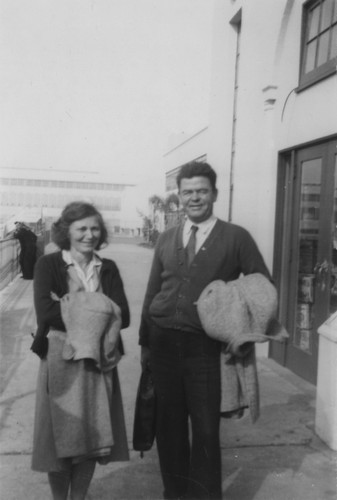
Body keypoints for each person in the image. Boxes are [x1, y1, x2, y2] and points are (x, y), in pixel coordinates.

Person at [139, 161, 271, 500]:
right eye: (187, 192)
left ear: (213, 193)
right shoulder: (167, 238)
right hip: (164, 343)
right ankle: (175, 494)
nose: (194, 198)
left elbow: (262, 286)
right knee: (169, 430)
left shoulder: (236, 236)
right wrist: (145, 343)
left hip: (207, 349)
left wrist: (240, 328)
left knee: (206, 431)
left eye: (201, 191)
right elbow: (153, 291)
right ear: (179, 197)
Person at [31, 201, 130, 500]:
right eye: (82, 228)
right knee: (56, 439)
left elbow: (122, 313)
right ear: (66, 231)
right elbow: (46, 312)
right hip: (59, 359)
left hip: (100, 360)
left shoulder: (107, 267)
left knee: (92, 435)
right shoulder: (48, 265)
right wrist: (100, 309)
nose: (89, 235)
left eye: (95, 228)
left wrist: (71, 304)